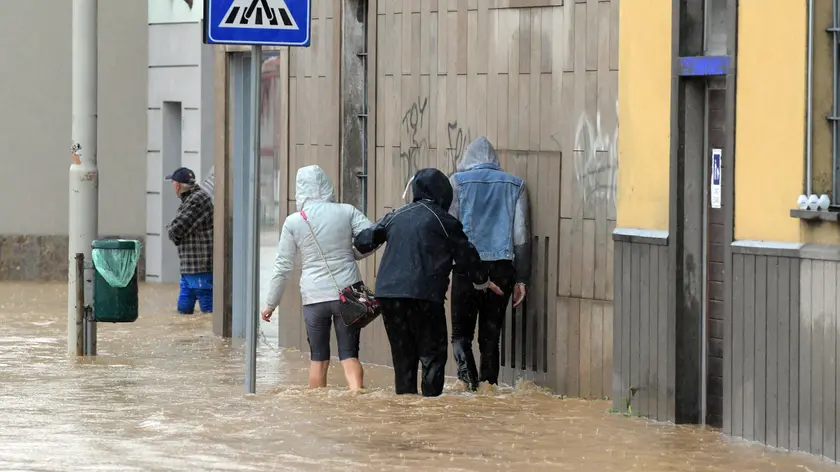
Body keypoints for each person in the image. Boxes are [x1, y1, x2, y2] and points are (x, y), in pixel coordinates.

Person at [354, 168, 503, 397]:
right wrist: (482, 281)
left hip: (389, 297)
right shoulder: (445, 221)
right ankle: (429, 410)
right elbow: (467, 255)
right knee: (433, 356)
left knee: (403, 358)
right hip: (424, 296)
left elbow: (364, 240)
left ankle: (406, 411)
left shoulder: (396, 215)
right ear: (443, 193)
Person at [261, 165, 372, 391]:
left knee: (318, 359)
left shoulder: (294, 221)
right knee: (349, 355)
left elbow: (283, 266)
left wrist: (271, 303)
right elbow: (373, 237)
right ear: (327, 185)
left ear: (300, 189)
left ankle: (317, 406)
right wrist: (352, 255)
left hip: (314, 298)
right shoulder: (347, 211)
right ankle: (358, 401)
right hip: (348, 294)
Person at [448, 136, 532, 391]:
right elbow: (521, 236)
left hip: (466, 267)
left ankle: (469, 385)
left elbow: (450, 229)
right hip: (502, 268)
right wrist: (522, 279)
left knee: (461, 334)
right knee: (490, 337)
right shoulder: (516, 185)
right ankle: (489, 389)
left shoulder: (457, 182)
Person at [165, 167, 214, 315]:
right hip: (189, 268)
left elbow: (176, 230)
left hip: (200, 268)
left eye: (172, 183)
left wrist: (171, 229)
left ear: (178, 185)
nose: (172, 186)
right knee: (183, 313)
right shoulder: (190, 199)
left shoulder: (197, 199)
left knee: (209, 311)